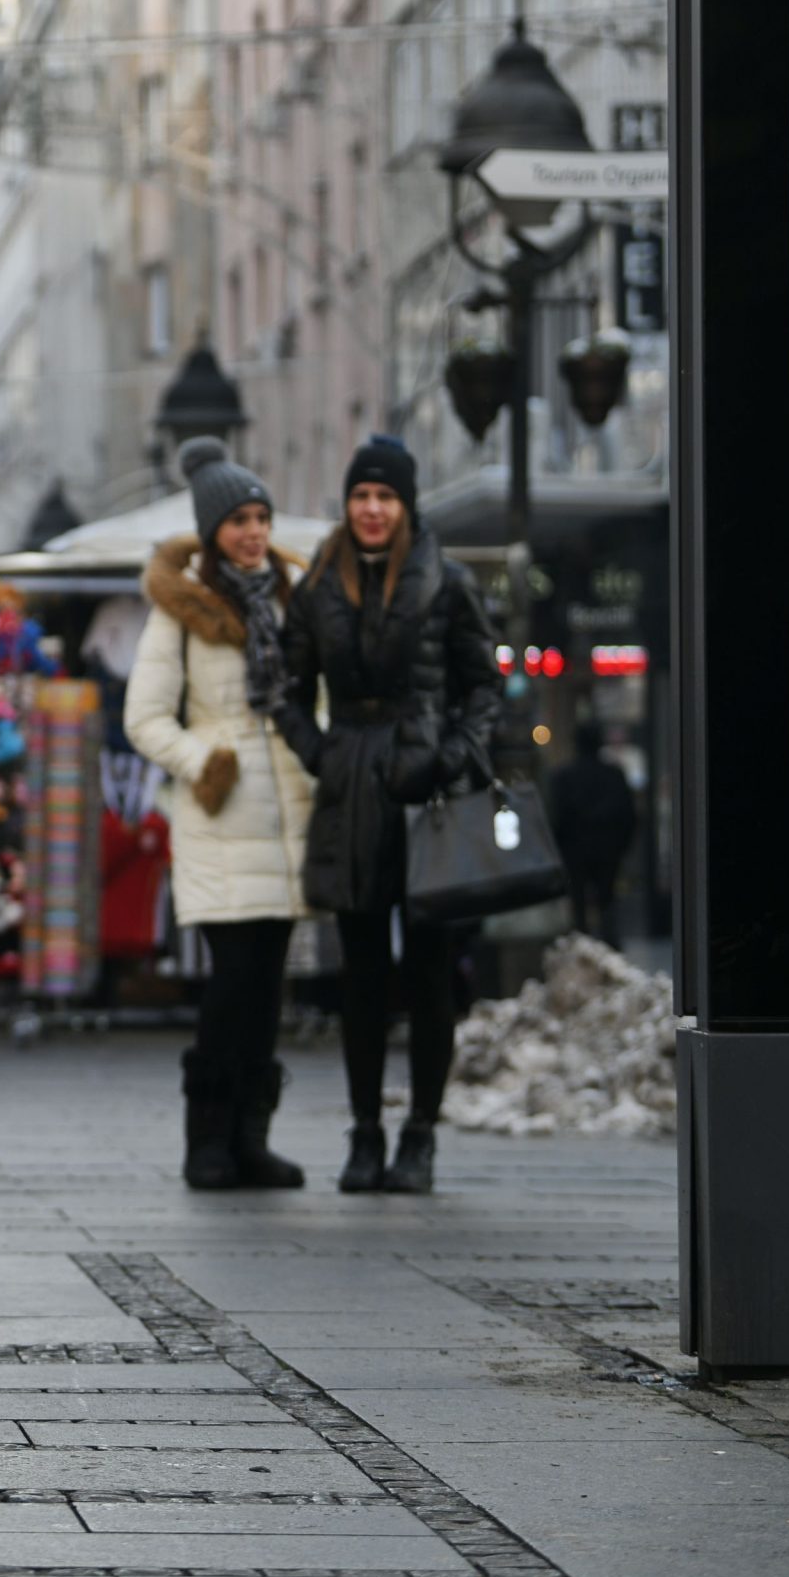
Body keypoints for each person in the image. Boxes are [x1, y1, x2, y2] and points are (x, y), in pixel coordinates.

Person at [279, 435, 500, 1196]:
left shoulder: (446, 580)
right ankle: (365, 1132)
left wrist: (455, 752)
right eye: (361, 496)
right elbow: (284, 685)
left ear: (405, 505)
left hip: (427, 785)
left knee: (431, 972)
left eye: (386, 496)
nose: (372, 509)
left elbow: (483, 685)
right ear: (347, 504)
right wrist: (322, 752)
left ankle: (421, 1135)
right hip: (352, 792)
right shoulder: (318, 585)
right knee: (362, 972)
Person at [124, 439, 316, 1191]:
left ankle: (251, 1138)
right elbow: (145, 718)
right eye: (239, 518)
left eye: (262, 516)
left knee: (269, 986)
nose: (255, 530)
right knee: (232, 984)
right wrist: (205, 759)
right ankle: (207, 1137)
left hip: (289, 817)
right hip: (222, 813)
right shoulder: (181, 610)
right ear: (212, 530)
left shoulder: (293, 601)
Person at [550, 722, 637, 947]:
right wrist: (622, 847)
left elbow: (557, 819)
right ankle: (609, 952)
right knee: (607, 901)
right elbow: (628, 816)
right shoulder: (613, 775)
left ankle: (584, 950)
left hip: (575, 852)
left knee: (579, 906)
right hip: (608, 851)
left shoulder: (564, 777)